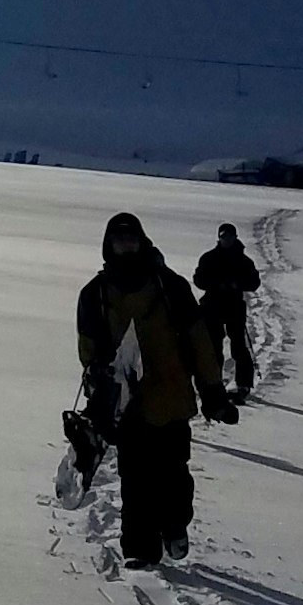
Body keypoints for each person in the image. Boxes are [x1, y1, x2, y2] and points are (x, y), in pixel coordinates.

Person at [77, 212, 232, 569]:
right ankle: (140, 551)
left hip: (173, 398)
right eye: (119, 241)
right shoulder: (95, 294)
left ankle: (175, 526)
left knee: (174, 475)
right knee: (134, 480)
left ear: (141, 242)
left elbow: (199, 341)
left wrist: (212, 390)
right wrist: (99, 378)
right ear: (109, 245)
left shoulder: (170, 286)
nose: (126, 247)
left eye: (131, 240)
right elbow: (88, 347)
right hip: (128, 405)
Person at [194, 222, 262, 398]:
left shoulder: (244, 260)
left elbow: (254, 282)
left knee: (239, 347)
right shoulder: (209, 258)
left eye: (230, 237)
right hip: (212, 307)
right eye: (224, 237)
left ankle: (244, 385)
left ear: (235, 238)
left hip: (234, 307)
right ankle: (212, 383)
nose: (227, 240)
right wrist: (217, 284)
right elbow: (199, 279)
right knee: (213, 348)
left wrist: (236, 284)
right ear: (219, 238)